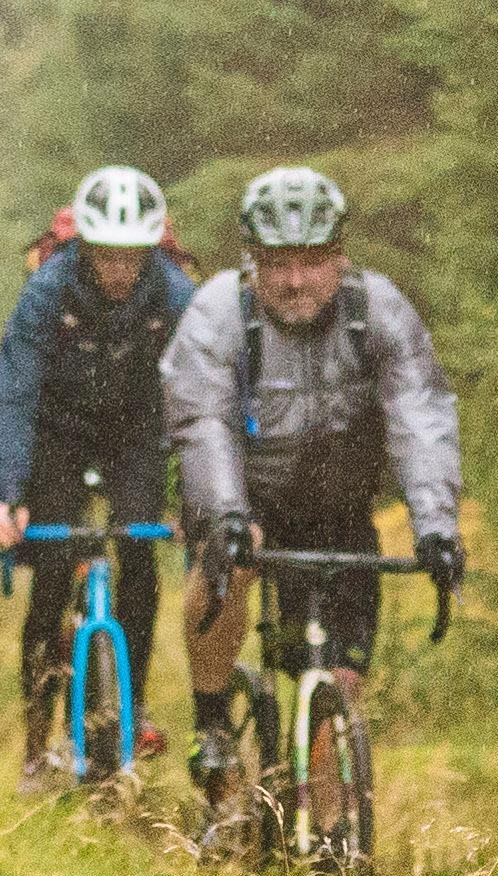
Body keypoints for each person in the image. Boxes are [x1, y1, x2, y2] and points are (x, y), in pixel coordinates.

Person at [165, 165, 464, 768]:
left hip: (340, 511)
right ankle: (213, 725)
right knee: (231, 559)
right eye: (276, 263)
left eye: (312, 261)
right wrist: (224, 513)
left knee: (339, 689)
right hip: (248, 503)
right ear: (252, 262)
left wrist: (435, 524)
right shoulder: (219, 311)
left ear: (339, 257)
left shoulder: (376, 309)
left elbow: (419, 412)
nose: (295, 280)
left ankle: (327, 842)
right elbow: (204, 422)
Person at [0, 165, 195, 784]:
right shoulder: (48, 291)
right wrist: (12, 492)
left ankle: (130, 705)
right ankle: (34, 739)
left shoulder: (175, 293)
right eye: (106, 256)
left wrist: (198, 497)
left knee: (139, 549)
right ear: (83, 248)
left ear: (151, 250)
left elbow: (206, 389)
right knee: (52, 574)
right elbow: (13, 390)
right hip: (58, 430)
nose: (119, 272)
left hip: (136, 431)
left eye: (132, 257)